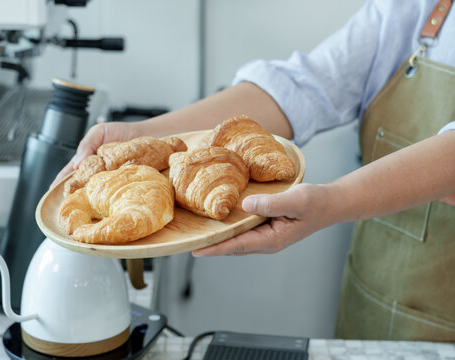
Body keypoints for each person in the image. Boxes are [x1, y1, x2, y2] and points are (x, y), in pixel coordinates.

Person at [52, 0, 455, 341]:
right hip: (373, 294)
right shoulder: (419, 6)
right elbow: (303, 88)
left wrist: (334, 202)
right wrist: (145, 136)